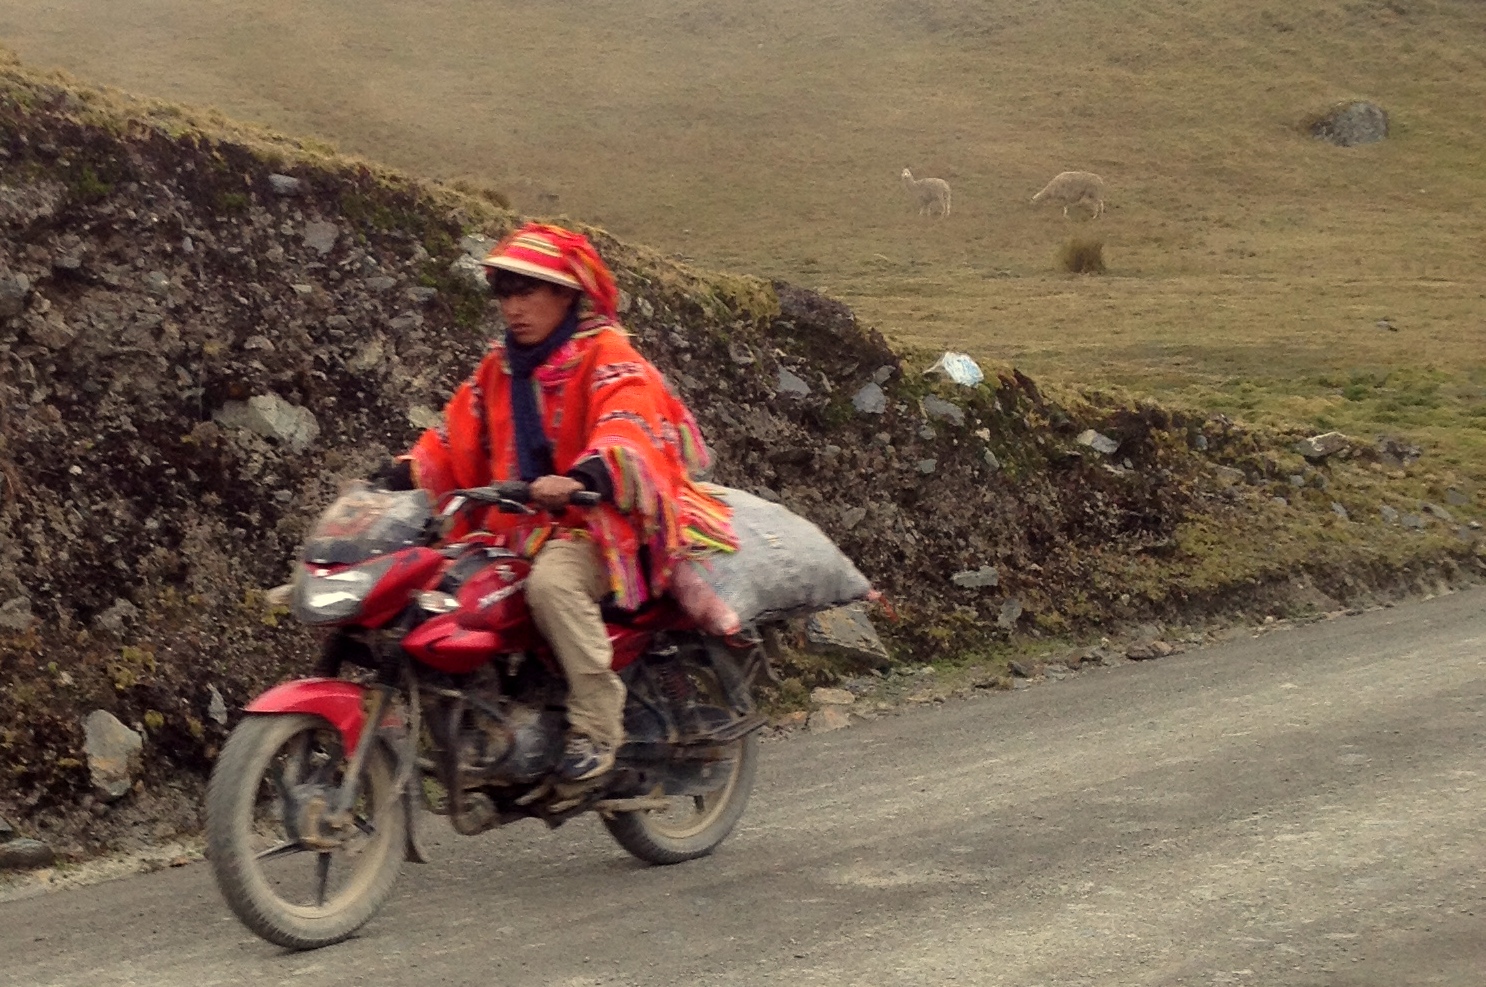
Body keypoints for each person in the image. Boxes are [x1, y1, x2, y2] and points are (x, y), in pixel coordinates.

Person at [378, 223, 736, 783]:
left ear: (567, 294)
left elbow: (629, 420)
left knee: (552, 585)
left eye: (528, 291)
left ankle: (597, 727)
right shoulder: (500, 368)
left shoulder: (607, 353)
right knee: (442, 587)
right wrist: (405, 471)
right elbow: (455, 438)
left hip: (603, 525)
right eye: (504, 293)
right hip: (518, 526)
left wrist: (588, 472)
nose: (514, 307)